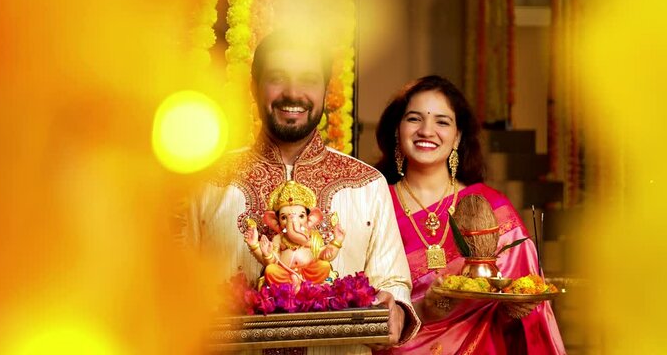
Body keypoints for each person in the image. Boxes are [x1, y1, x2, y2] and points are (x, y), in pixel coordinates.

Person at [180, 30, 420, 354]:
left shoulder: (367, 184)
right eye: (277, 78)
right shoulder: (206, 184)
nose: (293, 93)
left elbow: (393, 285)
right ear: (254, 88)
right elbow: (173, 286)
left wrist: (395, 309)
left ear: (325, 90)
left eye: (308, 79)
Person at [374, 75, 565, 354]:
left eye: (442, 121)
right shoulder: (374, 203)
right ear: (396, 130)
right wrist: (422, 310)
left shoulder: (490, 206)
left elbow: (524, 305)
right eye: (414, 119)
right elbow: (361, 305)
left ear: (458, 136)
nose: (427, 130)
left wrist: (516, 309)